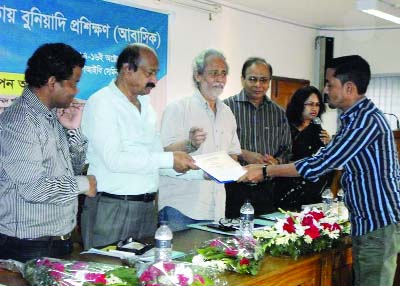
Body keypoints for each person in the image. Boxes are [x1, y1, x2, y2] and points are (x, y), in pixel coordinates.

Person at [239, 55, 400, 286]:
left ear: (349, 88)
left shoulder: (365, 121)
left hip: (378, 224)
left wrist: (266, 171)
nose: (325, 91)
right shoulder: (354, 118)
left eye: (329, 84)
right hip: (369, 222)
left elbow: (319, 164)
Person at [81, 43, 197, 249]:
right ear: (127, 69)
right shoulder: (102, 103)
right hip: (113, 207)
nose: (154, 81)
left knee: (143, 276)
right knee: (109, 276)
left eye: (156, 74)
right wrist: (170, 159)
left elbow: (153, 156)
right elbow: (115, 159)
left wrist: (199, 171)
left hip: (147, 208)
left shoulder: (146, 106)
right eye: (149, 73)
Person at [0, 43, 96, 262]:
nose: (77, 91)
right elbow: (33, 188)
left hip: (54, 241)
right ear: (53, 82)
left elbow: (74, 167)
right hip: (27, 246)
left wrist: (73, 131)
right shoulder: (21, 121)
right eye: (74, 83)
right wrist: (82, 184)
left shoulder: (51, 116)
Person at [158, 49, 241, 231]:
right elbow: (164, 157)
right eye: (213, 73)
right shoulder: (178, 108)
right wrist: (190, 146)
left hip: (216, 209)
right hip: (181, 207)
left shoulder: (227, 113)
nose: (219, 79)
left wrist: (229, 168)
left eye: (223, 73)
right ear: (198, 75)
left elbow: (233, 154)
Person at [223, 57, 291, 218]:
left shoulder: (278, 112)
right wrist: (244, 153)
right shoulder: (225, 108)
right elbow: (217, 148)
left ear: (269, 82)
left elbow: (287, 150)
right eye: (253, 79)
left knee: (264, 237)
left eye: (263, 80)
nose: (258, 85)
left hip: (267, 188)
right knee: (231, 239)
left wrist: (276, 163)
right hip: (233, 188)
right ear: (242, 79)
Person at [273, 86, 332, 211]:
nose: (314, 108)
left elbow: (324, 162)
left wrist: (330, 144)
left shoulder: (317, 130)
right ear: (299, 104)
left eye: (317, 105)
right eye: (310, 104)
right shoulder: (285, 127)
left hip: (311, 191)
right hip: (283, 186)